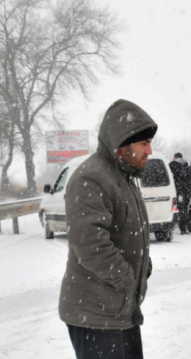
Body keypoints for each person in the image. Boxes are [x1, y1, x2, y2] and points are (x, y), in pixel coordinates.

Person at [58, 99, 158, 359]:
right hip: (95, 314)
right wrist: (127, 279)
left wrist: (142, 268)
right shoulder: (91, 178)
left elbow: (129, 232)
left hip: (120, 310)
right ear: (122, 144)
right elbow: (89, 243)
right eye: (143, 143)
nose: (149, 150)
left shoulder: (123, 177)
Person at [169, 152, 191, 234]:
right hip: (186, 192)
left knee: (173, 209)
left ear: (175, 157)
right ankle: (183, 228)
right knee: (184, 209)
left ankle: (173, 226)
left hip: (176, 191)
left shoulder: (172, 165)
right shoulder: (188, 166)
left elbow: (170, 178)